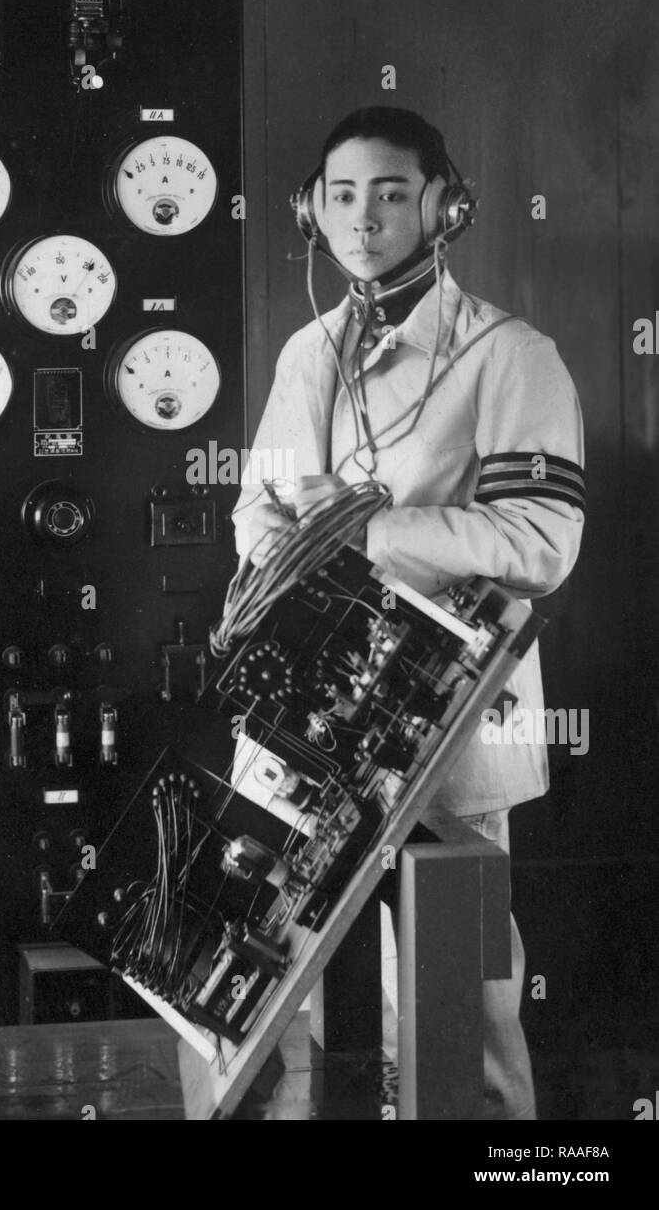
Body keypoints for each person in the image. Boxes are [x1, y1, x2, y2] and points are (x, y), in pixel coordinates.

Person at [231, 106, 585, 1120]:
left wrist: (368, 534)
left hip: (452, 727)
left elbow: (539, 544)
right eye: (341, 196)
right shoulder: (310, 350)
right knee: (312, 1006)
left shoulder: (511, 355)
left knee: (462, 1012)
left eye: (390, 193)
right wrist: (289, 563)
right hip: (317, 725)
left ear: (443, 206)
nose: (363, 218)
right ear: (312, 210)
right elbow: (260, 510)